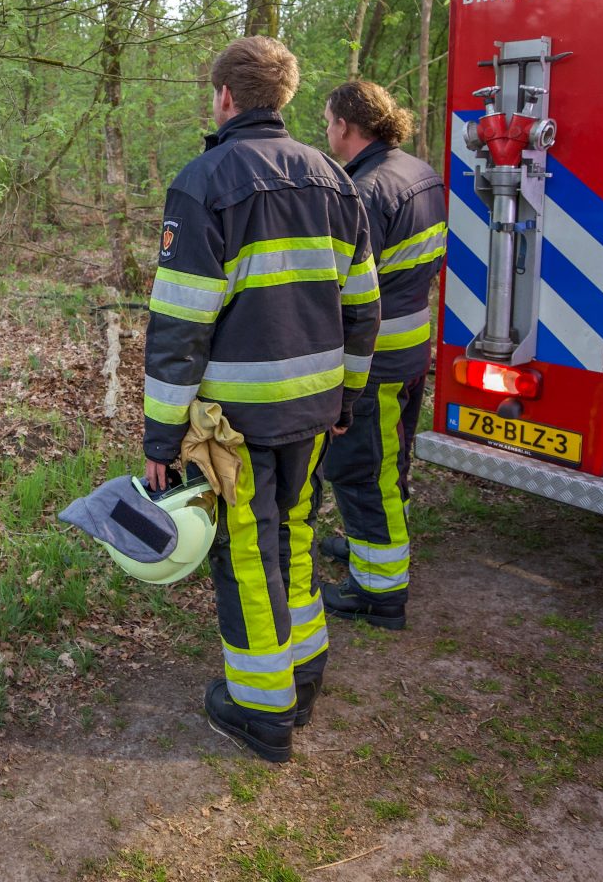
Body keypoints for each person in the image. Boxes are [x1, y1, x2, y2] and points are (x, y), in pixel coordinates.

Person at [141, 37, 380, 763]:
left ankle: (262, 710)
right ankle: (302, 673)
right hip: (313, 407)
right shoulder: (335, 179)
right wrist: (347, 397)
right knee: (294, 535)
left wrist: (159, 438)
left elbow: (179, 324)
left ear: (224, 98)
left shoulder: (203, 181)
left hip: (237, 421)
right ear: (284, 99)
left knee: (247, 551)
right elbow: (363, 304)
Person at [316, 80, 447, 630]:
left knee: (362, 470)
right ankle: (377, 545)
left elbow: (336, 286)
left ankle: (379, 591)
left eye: (327, 122)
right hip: (412, 343)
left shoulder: (362, 190)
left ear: (346, 126)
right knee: (392, 458)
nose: (326, 131)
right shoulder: (420, 172)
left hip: (374, 357)